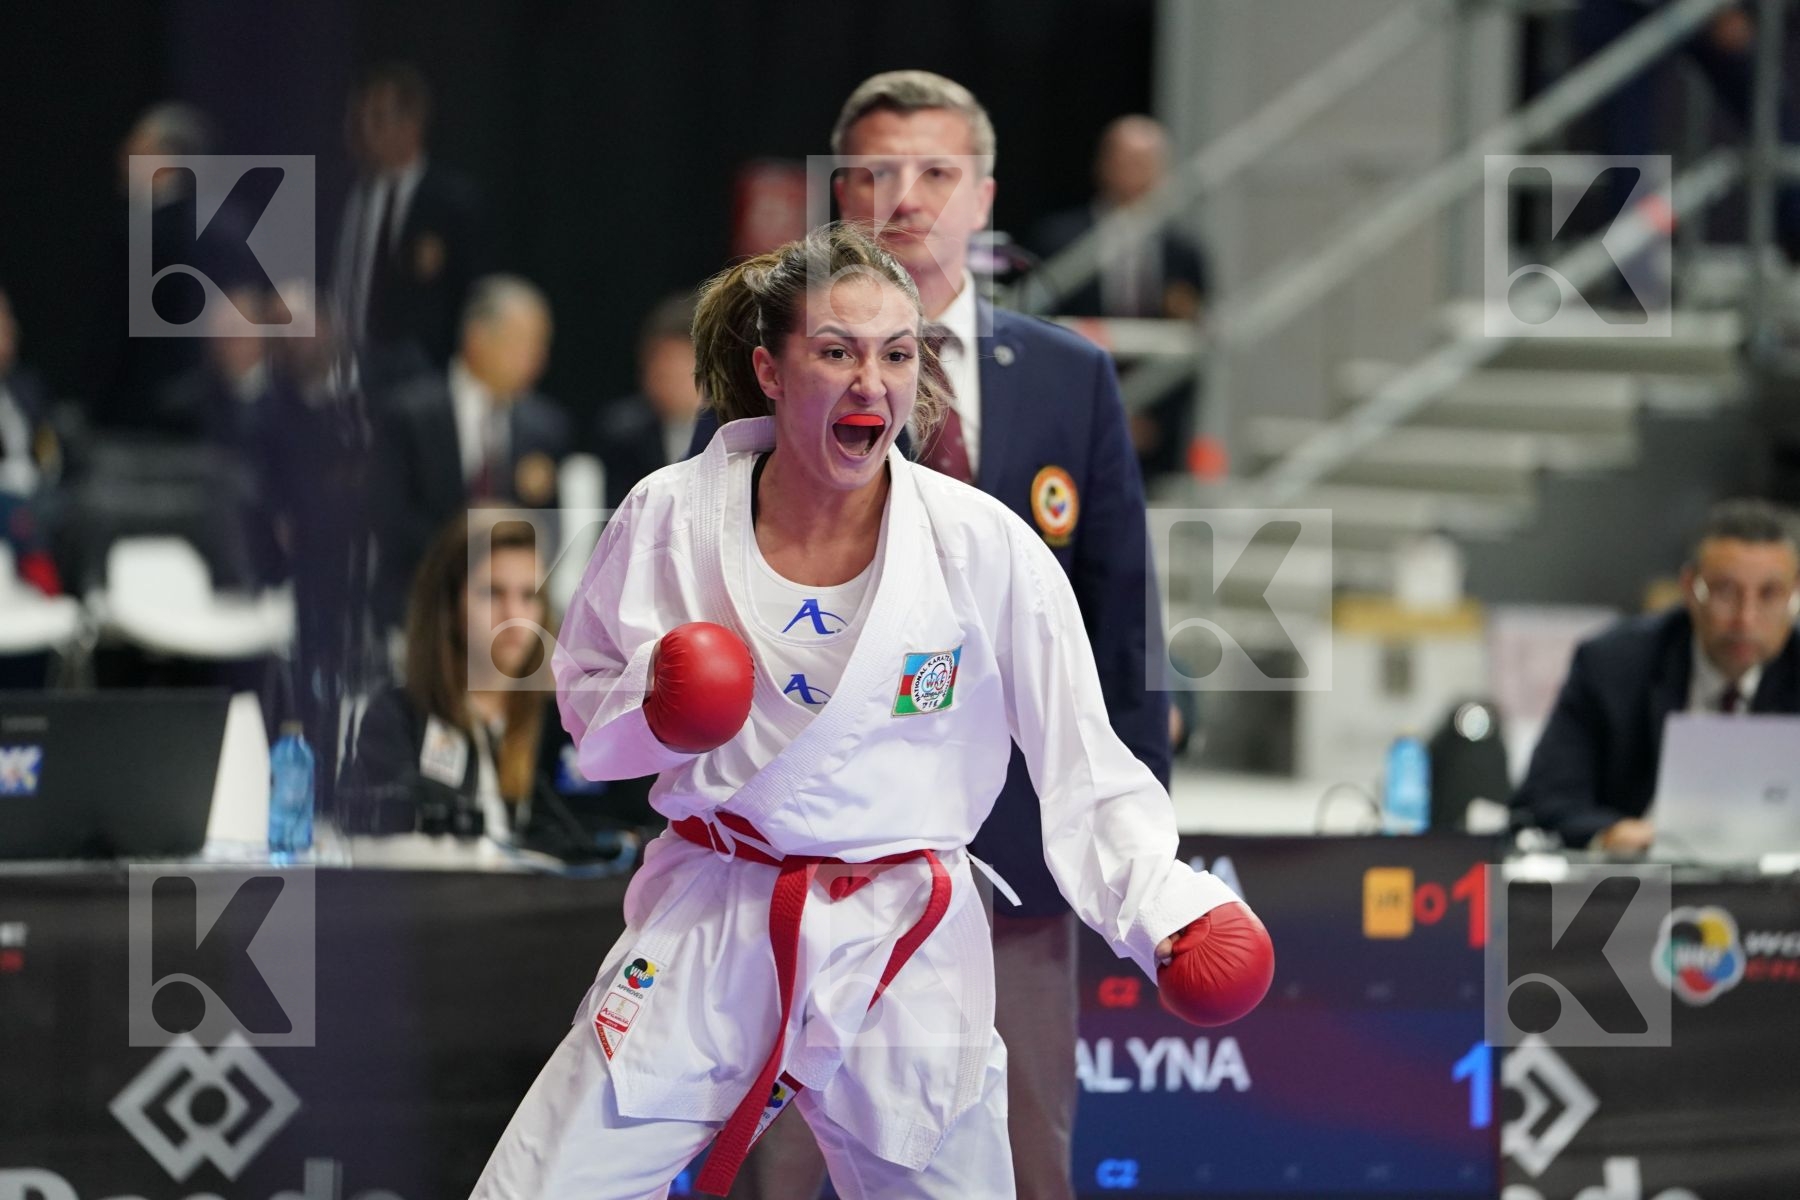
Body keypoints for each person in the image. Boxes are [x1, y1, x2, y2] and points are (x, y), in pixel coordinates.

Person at [470, 225, 1270, 1200]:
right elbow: (589, 724)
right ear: (768, 368)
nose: (872, 383)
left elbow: (1082, 762)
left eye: (897, 354)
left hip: (908, 935)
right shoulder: (671, 516)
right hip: (717, 909)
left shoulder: (983, 547)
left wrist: (1167, 912)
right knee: (539, 1188)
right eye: (837, 351)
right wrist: (655, 700)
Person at [691, 71, 1174, 1200]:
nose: (903, 198)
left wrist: (1133, 855)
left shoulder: (1070, 377)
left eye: (936, 173)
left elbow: (1124, 630)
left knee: (1024, 1155)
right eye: (871, 172)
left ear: (985, 196)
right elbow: (699, 602)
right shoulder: (759, 381)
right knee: (789, 1167)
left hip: (1012, 856)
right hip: (806, 864)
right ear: (837, 197)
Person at [347, 512, 649, 854]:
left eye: (528, 596)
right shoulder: (399, 717)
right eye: (492, 593)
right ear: (448, 606)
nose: (513, 615)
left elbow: (634, 832)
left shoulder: (568, 722)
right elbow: (376, 848)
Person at [1512, 499, 1800, 851]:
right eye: (1725, 592)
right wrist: (1610, 834)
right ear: (1691, 588)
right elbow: (1544, 799)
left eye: (1769, 595)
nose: (1746, 618)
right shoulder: (1613, 664)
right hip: (1641, 891)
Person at [371, 275, 570, 630]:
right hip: (421, 612)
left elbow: (549, 530)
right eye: (524, 343)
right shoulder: (408, 416)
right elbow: (391, 522)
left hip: (510, 622)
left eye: (543, 345)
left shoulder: (544, 427)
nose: (538, 359)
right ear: (477, 338)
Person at [332, 61, 488, 388]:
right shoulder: (340, 196)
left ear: (412, 124)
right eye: (358, 119)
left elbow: (470, 296)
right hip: (341, 374)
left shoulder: (450, 202)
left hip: (421, 379)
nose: (365, 131)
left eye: (378, 119)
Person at [1029, 115, 1208, 323]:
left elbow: (1199, 320)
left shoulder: (1184, 251)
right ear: (1103, 164)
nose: (1136, 174)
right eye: (1128, 162)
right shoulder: (1057, 239)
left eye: (1145, 163)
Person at [594, 293, 703, 510]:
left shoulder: (733, 428)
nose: (667, 377)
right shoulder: (623, 435)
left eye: (679, 366)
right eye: (659, 365)